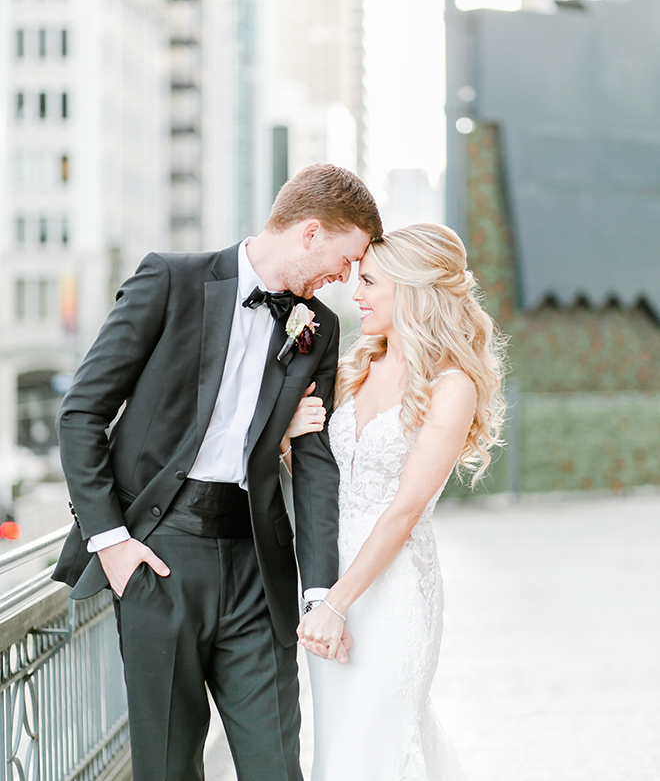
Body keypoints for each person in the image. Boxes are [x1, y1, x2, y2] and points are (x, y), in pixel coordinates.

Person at [53, 163, 382, 781]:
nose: (346, 276)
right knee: (169, 764)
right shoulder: (170, 280)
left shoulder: (320, 329)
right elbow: (81, 412)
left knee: (275, 763)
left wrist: (318, 593)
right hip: (157, 559)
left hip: (258, 567)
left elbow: (314, 465)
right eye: (346, 258)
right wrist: (112, 542)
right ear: (310, 233)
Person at [291, 223, 506, 781]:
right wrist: (291, 437)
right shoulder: (354, 369)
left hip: (391, 594)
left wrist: (336, 604)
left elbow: (405, 510)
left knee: (381, 743)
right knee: (339, 749)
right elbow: (327, 478)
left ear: (411, 289)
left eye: (368, 282)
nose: (354, 294)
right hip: (330, 586)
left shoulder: (451, 384)